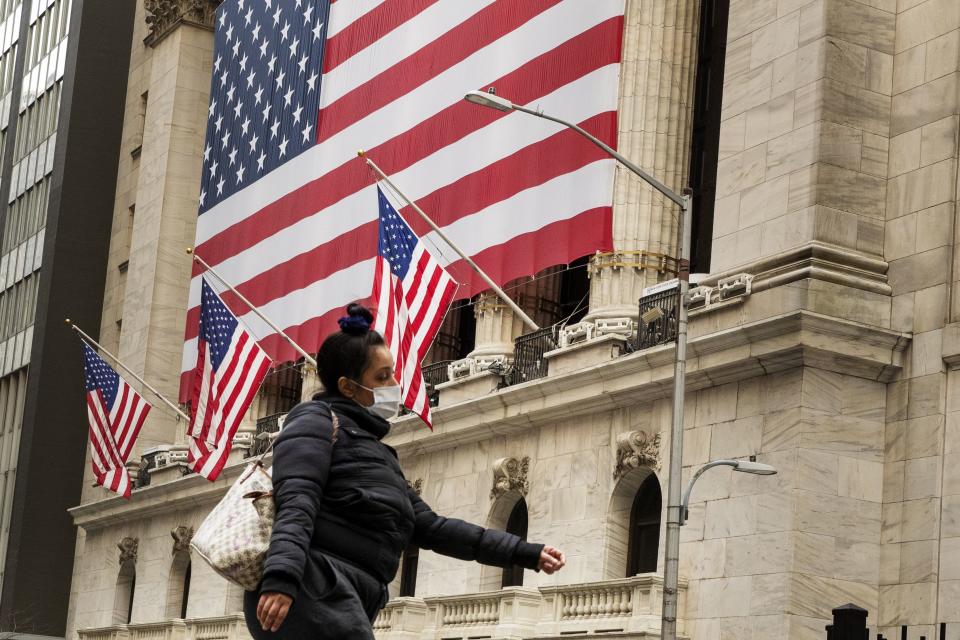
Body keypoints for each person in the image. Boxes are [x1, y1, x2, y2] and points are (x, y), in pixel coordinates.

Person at [244, 304, 566, 638]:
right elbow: (297, 502)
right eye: (381, 377)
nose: (394, 384)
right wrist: (282, 578)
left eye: (392, 373)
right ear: (347, 386)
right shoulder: (313, 421)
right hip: (312, 588)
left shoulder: (377, 451)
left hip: (346, 595)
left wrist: (525, 552)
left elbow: (432, 527)